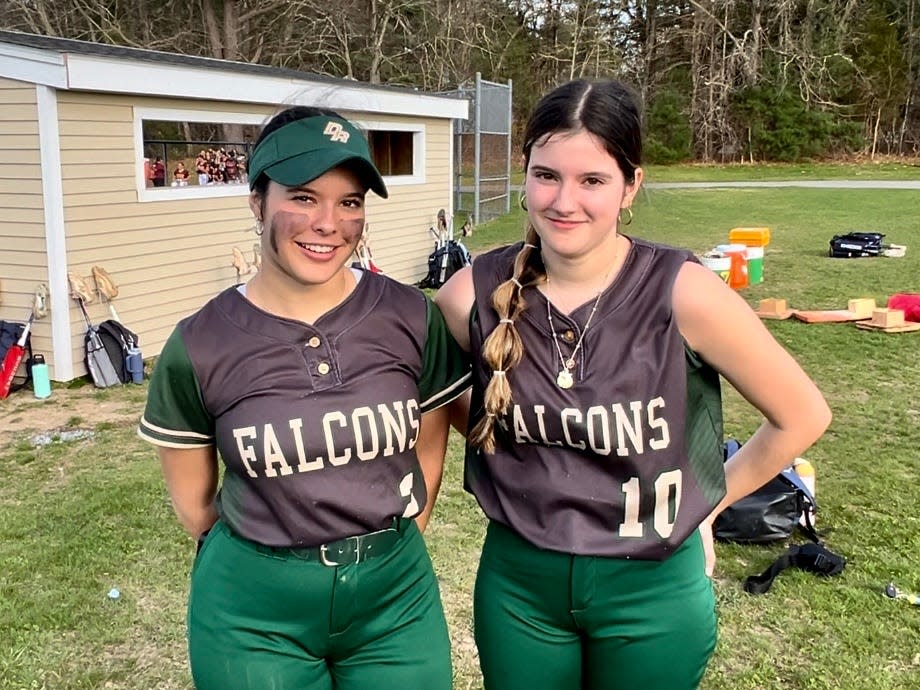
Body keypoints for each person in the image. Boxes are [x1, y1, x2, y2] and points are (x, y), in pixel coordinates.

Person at [435, 78, 831, 690]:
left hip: (651, 586)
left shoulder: (683, 290)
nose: (564, 200)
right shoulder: (470, 293)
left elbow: (802, 416)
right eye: (547, 175)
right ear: (525, 176)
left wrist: (710, 501)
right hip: (519, 586)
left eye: (592, 180)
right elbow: (444, 403)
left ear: (631, 185)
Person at [138, 105, 469, 690]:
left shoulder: (411, 316)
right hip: (253, 614)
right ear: (256, 201)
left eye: (349, 202)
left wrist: (394, 540)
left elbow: (428, 451)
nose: (329, 223)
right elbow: (197, 508)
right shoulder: (200, 343)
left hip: (395, 601)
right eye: (303, 196)